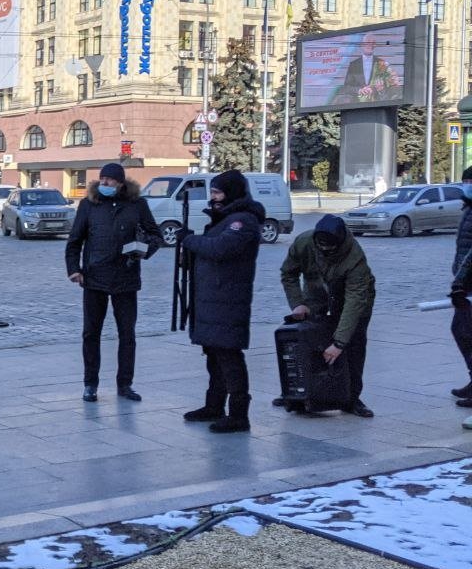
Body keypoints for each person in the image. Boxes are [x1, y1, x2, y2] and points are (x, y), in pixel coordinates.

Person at [64, 162, 163, 402]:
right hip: (94, 277)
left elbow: (155, 235)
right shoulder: (89, 204)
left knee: (127, 334)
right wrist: (74, 270)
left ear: (120, 183)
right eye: (102, 179)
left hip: (125, 277)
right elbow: (75, 240)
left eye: (109, 180)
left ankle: (125, 384)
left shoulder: (137, 204)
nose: (104, 183)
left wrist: (143, 249)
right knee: (91, 334)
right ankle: (90, 384)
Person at [180, 170, 265, 434]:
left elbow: (220, 249)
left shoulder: (243, 222)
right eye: (212, 192)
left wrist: (190, 240)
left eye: (217, 192)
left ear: (232, 193)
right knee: (214, 357)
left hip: (228, 301)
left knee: (229, 357)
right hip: (213, 301)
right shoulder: (225, 219)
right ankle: (214, 406)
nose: (213, 198)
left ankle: (239, 414)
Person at [278, 214, 376, 418]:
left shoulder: (354, 257)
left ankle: (351, 398)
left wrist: (339, 343)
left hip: (353, 301)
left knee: (354, 346)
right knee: (307, 341)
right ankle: (298, 391)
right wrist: (298, 303)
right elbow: (288, 273)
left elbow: (354, 301)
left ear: (339, 244)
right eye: (320, 246)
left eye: (329, 248)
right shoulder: (304, 242)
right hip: (316, 296)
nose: (324, 250)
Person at [448, 167, 472, 407]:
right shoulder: (468, 207)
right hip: (465, 284)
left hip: (467, 285)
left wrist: (460, 281)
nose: (466, 185)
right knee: (462, 331)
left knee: (464, 331)